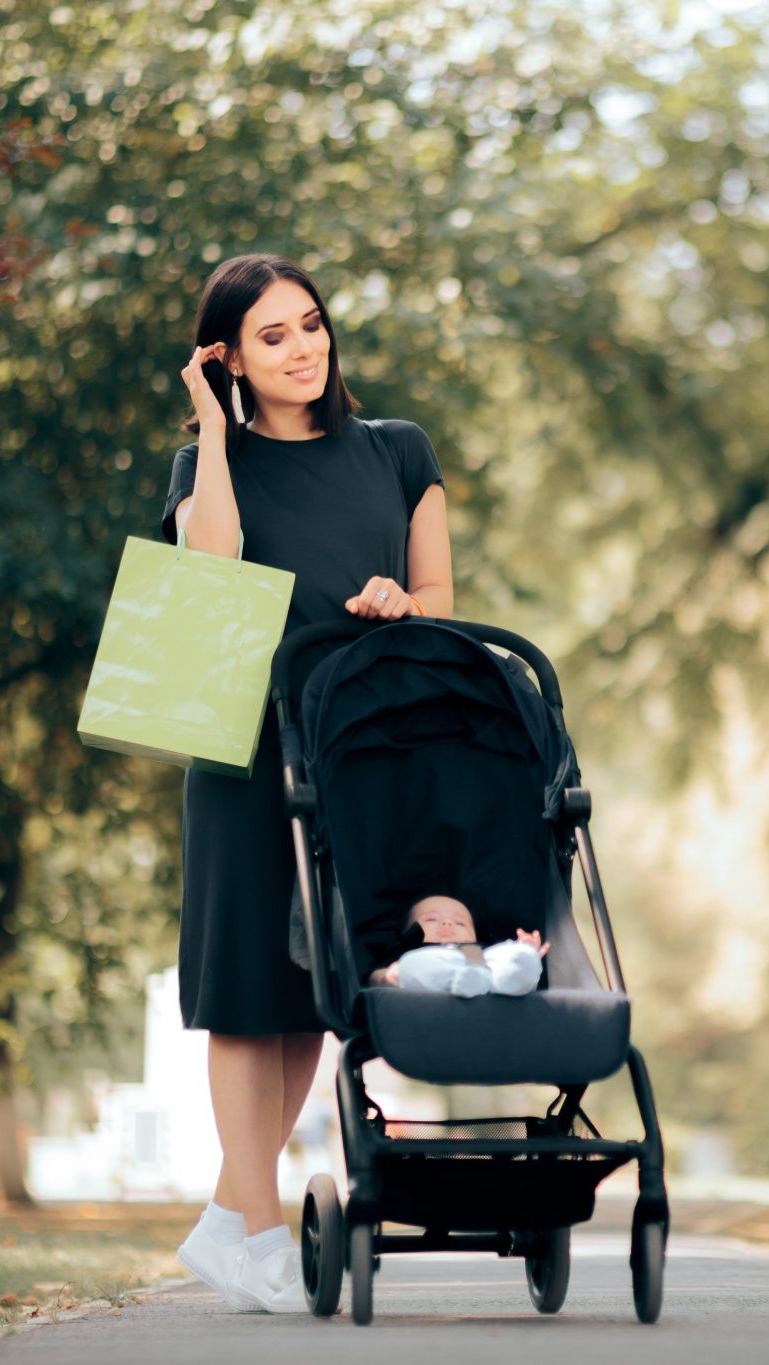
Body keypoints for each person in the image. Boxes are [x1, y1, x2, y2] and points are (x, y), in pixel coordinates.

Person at [162, 253, 453, 1314]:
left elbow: (440, 599)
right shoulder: (208, 462)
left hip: (359, 746)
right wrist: (210, 424)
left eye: (310, 325)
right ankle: (256, 1225)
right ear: (229, 355)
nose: (300, 348)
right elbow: (212, 571)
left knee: (314, 993)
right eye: (270, 336)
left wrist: (395, 600)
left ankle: (225, 1221)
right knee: (247, 989)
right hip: (245, 740)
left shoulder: (396, 450)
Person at [368, 894, 550, 997]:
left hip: (483, 973)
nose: (447, 923)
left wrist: (522, 949)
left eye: (460, 923)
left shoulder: (481, 948)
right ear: (408, 934)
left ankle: (517, 970)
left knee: (509, 959)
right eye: (431, 919)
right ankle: (468, 978)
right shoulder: (408, 949)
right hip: (428, 985)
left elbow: (499, 957)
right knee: (411, 966)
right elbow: (372, 978)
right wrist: (386, 977)